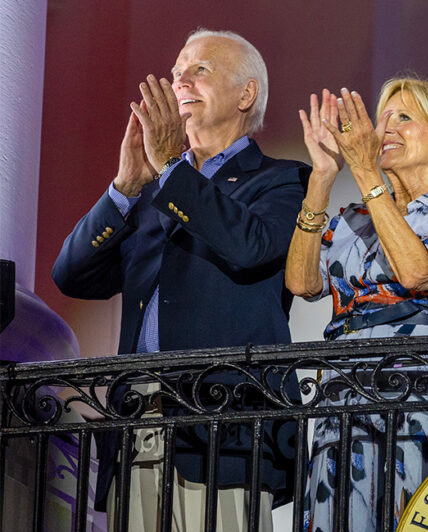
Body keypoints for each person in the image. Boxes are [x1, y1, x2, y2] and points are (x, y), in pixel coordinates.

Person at [52, 29, 307, 530]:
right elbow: (72, 276)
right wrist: (125, 188)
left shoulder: (282, 179)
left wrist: (171, 167)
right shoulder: (149, 194)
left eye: (200, 70)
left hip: (225, 428)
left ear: (246, 94)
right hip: (138, 426)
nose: (179, 82)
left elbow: (249, 248)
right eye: (176, 73)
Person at [285, 77, 428, 531]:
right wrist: (323, 177)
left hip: (418, 411)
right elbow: (302, 283)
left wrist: (365, 173)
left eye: (404, 117)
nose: (386, 128)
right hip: (342, 411)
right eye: (383, 118)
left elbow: (416, 274)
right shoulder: (354, 219)